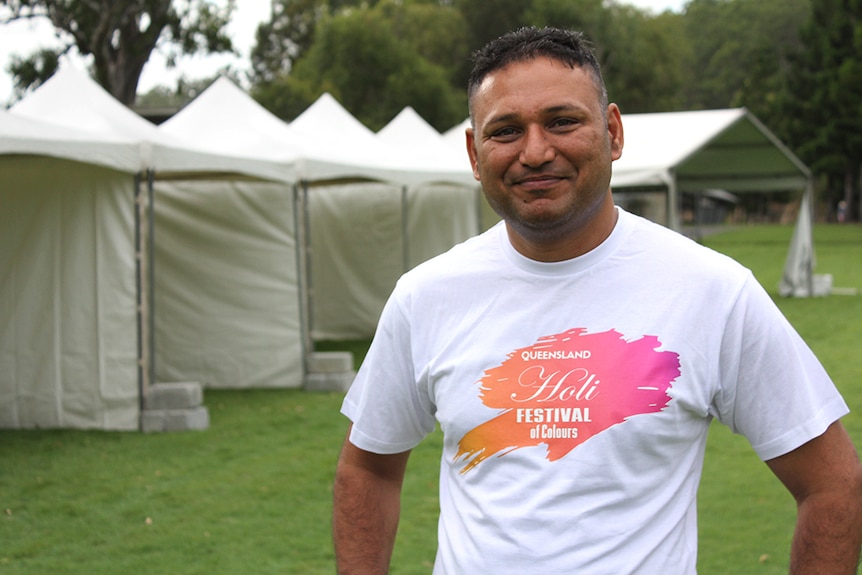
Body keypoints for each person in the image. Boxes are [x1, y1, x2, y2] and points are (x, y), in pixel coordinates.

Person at [332, 26, 862, 574]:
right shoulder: (427, 296)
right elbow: (367, 469)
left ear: (612, 132)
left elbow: (832, 484)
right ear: (474, 152)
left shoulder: (711, 290)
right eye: (506, 131)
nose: (535, 152)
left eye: (562, 121)